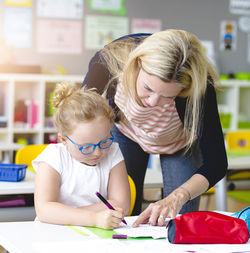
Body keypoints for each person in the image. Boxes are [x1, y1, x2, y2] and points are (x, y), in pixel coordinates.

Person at [82, 29, 228, 226]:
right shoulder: (109, 59)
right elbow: (78, 115)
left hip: (179, 143)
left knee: (178, 219)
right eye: (148, 88)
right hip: (127, 132)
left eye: (168, 96)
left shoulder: (200, 87)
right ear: (138, 64)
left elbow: (217, 162)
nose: (152, 102)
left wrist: (178, 196)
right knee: (121, 213)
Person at [32, 82, 130, 229]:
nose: (97, 152)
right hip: (54, 233)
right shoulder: (53, 157)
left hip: (98, 233)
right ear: (64, 140)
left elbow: (121, 204)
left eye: (104, 142)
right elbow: (44, 210)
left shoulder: (113, 151)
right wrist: (94, 218)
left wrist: (63, 214)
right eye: (86, 147)